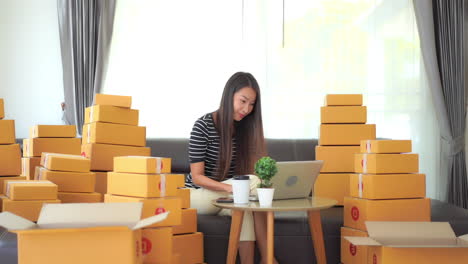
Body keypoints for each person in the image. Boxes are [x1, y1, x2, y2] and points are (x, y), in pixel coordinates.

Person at [186, 72, 278, 264]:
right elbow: (197, 177)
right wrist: (233, 189)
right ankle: (269, 259)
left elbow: (250, 174)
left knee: (244, 208)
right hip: (197, 195)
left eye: (252, 104)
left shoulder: (244, 130)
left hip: (225, 198)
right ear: (229, 96)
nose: (246, 109)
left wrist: (241, 190)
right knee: (251, 184)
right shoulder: (203, 125)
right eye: (243, 101)